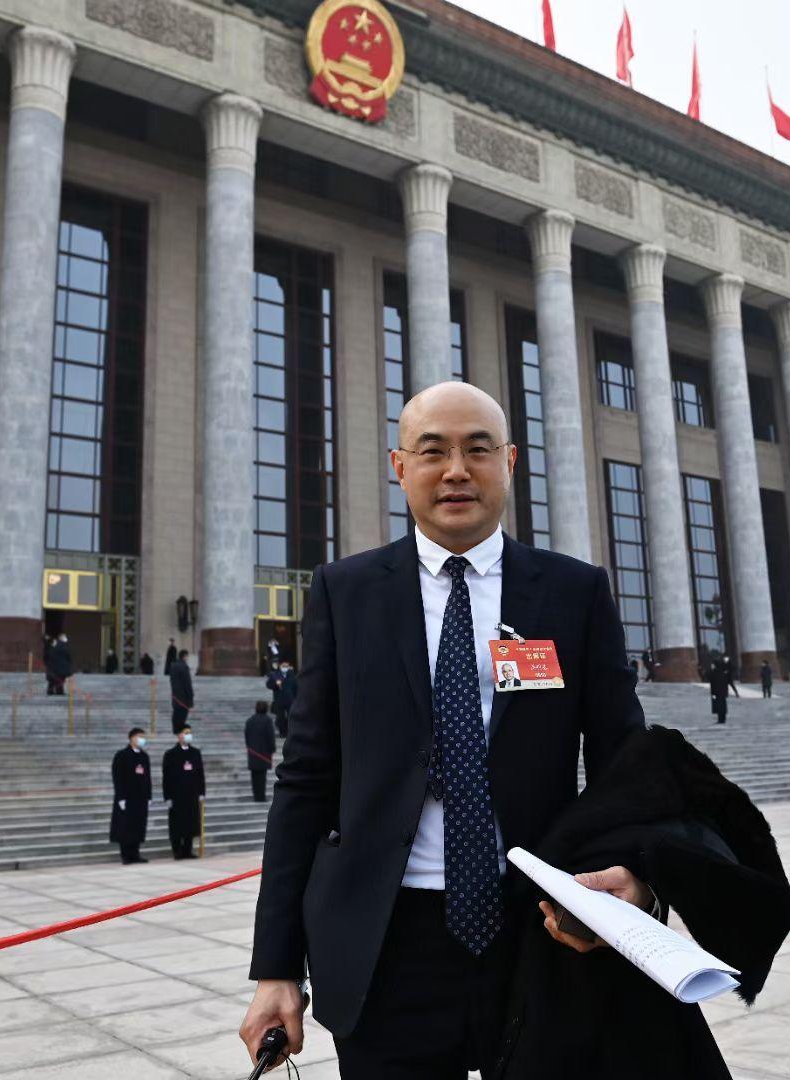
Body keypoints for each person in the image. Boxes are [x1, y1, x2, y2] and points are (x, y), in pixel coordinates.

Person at [241, 382, 648, 1077]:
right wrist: (276, 967)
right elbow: (307, 779)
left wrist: (637, 879)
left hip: (539, 930)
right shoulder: (347, 593)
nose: (456, 470)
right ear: (400, 468)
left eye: (478, 450)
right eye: (433, 452)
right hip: (386, 945)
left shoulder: (573, 593)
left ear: (509, 462)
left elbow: (624, 765)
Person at [161, 724, 204, 859]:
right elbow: (166, 777)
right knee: (177, 823)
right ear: (179, 736)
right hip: (177, 795)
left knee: (190, 822)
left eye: (189, 733)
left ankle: (188, 850)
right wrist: (167, 796)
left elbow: (200, 774)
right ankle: (177, 850)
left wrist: (202, 792)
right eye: (185, 733)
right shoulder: (171, 754)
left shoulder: (195, 753)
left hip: (192, 794)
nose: (188, 735)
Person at [110, 727, 151, 864]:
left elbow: (148, 778)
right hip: (127, 797)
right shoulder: (122, 755)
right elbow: (117, 777)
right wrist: (120, 797)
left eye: (143, 737)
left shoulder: (144, 756)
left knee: (138, 825)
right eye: (139, 736)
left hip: (141, 798)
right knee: (126, 826)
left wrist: (149, 796)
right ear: (131, 738)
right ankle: (126, 855)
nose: (142, 739)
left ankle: (135, 854)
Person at [245, 701, 276, 802]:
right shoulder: (267, 720)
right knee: (262, 776)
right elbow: (270, 736)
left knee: (254, 776)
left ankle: (256, 796)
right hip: (264, 752)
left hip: (253, 752)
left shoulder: (250, 721)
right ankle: (261, 796)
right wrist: (272, 748)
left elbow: (247, 736)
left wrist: (249, 746)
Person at [265, 659, 298, 739]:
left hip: (290, 699)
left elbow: (296, 687)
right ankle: (282, 732)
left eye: (286, 666)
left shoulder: (292, 675)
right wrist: (275, 684)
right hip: (279, 699)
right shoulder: (275, 674)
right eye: (283, 666)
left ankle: (290, 732)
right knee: (280, 717)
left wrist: (296, 698)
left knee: (291, 717)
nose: (285, 668)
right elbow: (268, 685)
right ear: (280, 666)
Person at [168, 649, 194, 734]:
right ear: (184, 656)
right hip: (183, 697)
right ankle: (180, 731)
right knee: (182, 715)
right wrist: (190, 696)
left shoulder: (173, 666)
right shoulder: (183, 667)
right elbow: (187, 683)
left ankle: (175, 730)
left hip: (175, 695)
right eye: (187, 656)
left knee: (176, 713)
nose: (187, 658)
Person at [708, 659, 730, 724]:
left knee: (718, 706)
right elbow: (726, 683)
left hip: (716, 693)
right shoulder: (722, 672)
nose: (712, 666)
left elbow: (712, 682)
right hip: (722, 693)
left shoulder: (714, 673)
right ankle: (723, 719)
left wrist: (713, 693)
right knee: (722, 706)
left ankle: (720, 720)